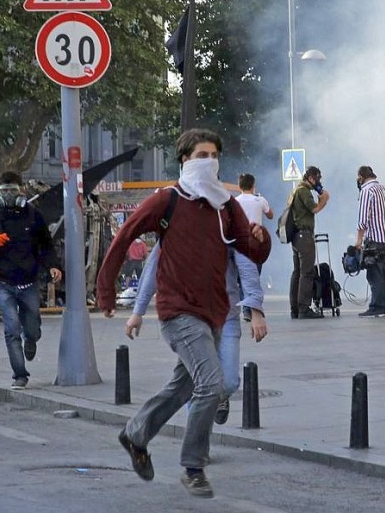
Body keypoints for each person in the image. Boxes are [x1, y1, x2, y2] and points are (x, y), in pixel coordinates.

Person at [96, 128, 270, 498]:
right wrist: (107, 291)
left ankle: (135, 434)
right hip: (179, 312)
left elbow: (248, 253)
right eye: (200, 154)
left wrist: (260, 238)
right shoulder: (167, 200)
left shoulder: (227, 207)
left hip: (215, 312)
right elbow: (125, 234)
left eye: (214, 154)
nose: (208, 161)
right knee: (212, 384)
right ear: (184, 160)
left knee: (183, 387)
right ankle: (194, 466)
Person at [130, 242, 268, 426]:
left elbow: (247, 267)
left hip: (225, 316)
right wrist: (137, 312)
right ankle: (199, 442)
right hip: (189, 319)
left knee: (228, 382)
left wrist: (255, 310)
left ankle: (219, 398)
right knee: (197, 382)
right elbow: (153, 267)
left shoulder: (228, 222)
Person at [0, 171, 63, 389]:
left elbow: (46, 245)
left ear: (21, 191)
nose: (9, 195)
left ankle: (31, 339)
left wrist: (53, 266)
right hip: (4, 284)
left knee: (31, 327)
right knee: (11, 329)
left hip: (28, 283)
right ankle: (20, 375)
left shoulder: (33, 215)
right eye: (5, 191)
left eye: (13, 190)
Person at [355, 166, 385, 318]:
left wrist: (358, 241)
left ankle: (377, 306)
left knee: (375, 273)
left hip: (375, 239)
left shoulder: (366, 191)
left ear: (361, 177)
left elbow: (362, 220)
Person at [288, 166, 330, 319]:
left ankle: (295, 309)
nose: (318, 183)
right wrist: (324, 200)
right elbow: (314, 209)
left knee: (297, 272)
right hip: (304, 236)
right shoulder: (304, 191)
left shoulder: (296, 190)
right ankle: (304, 308)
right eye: (317, 179)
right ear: (311, 178)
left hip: (296, 236)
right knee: (307, 272)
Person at [235, 172, 273, 320]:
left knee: (242, 276)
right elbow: (270, 214)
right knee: (254, 275)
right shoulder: (259, 200)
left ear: (239, 186)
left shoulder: (235, 201)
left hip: (240, 243)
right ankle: (250, 307)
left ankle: (246, 308)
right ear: (253, 185)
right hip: (257, 242)